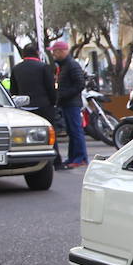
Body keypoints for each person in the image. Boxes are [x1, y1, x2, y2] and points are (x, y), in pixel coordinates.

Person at [8, 44, 61, 168]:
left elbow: (13, 91)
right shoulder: (44, 67)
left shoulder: (16, 68)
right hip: (43, 107)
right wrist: (54, 103)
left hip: (24, 109)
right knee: (49, 135)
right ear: (37, 52)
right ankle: (56, 162)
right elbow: (51, 89)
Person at [50, 39, 88, 169]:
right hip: (67, 103)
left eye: (54, 52)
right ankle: (73, 157)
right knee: (72, 132)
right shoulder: (64, 66)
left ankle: (80, 158)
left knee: (76, 131)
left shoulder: (72, 65)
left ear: (61, 51)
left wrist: (64, 94)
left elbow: (80, 84)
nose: (53, 54)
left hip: (72, 103)